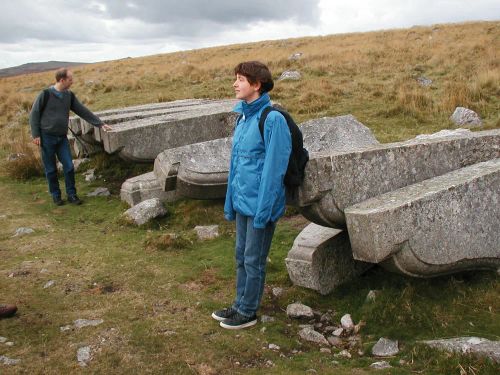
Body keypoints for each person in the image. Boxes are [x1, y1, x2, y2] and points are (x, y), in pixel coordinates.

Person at [212, 61, 292, 330]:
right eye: (235, 78)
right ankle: (238, 304)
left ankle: (248, 311)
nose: (235, 84)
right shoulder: (243, 118)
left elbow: (274, 170)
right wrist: (229, 202)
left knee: (253, 259)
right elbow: (236, 165)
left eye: (241, 79)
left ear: (256, 84)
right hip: (243, 202)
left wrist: (265, 210)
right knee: (240, 256)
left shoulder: (273, 120)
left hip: (260, 205)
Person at [29, 68, 111, 206]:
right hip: (46, 137)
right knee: (51, 169)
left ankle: (72, 195)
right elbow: (34, 114)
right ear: (62, 80)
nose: (72, 81)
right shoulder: (45, 94)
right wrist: (36, 134)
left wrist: (100, 124)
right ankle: (56, 195)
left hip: (61, 138)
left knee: (68, 166)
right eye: (70, 79)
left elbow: (82, 110)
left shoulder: (69, 96)